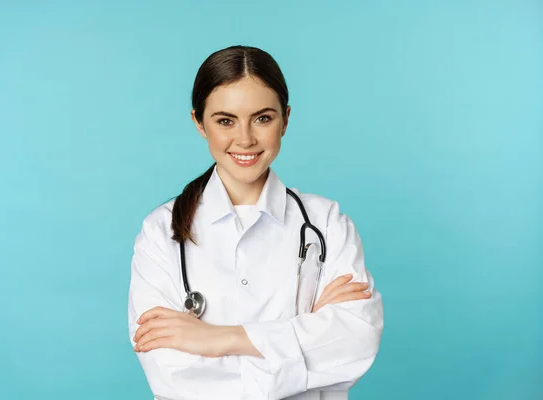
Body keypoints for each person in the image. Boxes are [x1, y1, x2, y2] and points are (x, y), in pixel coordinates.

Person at [127, 45, 383, 400]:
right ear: (199, 122)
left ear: (286, 119)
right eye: (225, 120)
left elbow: (355, 342)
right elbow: (172, 375)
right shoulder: (161, 232)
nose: (245, 139)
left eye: (262, 118)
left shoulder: (326, 222)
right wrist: (304, 338)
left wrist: (221, 339)